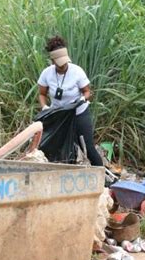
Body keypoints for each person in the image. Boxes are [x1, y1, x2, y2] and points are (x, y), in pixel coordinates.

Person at [37, 35, 103, 166]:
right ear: (53, 61)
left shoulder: (77, 71)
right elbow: (42, 94)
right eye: (59, 63)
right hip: (59, 116)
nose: (63, 66)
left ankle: (101, 176)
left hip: (78, 113)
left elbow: (87, 91)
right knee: (58, 149)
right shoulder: (47, 74)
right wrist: (45, 107)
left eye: (65, 62)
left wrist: (83, 98)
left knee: (89, 148)